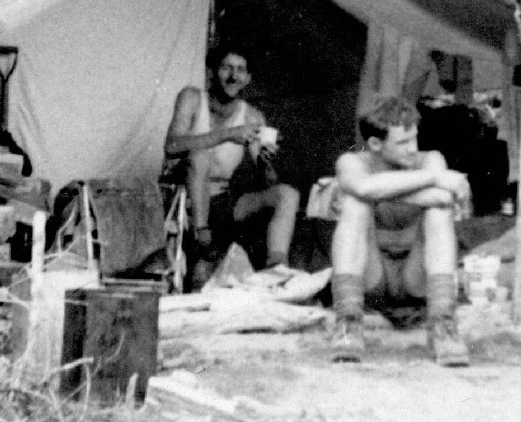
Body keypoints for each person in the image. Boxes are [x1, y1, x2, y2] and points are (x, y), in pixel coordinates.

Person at [329, 95, 471, 366]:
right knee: (354, 206)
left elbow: (442, 199)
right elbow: (361, 188)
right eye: (403, 142)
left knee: (438, 212)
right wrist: (433, 180)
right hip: (373, 277)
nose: (413, 148)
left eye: (414, 139)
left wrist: (374, 191)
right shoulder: (352, 162)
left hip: (416, 278)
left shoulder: (431, 159)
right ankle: (348, 322)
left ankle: (443, 325)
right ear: (375, 144)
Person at [164, 45, 300, 289]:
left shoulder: (251, 116)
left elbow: (268, 181)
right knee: (199, 156)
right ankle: (202, 238)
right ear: (212, 72)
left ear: (248, 78)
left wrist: (266, 161)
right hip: (181, 202)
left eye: (240, 70)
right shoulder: (193, 98)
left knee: (287, 194)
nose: (233, 76)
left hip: (220, 203)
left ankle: (276, 269)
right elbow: (172, 146)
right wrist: (228, 134)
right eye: (226, 67)